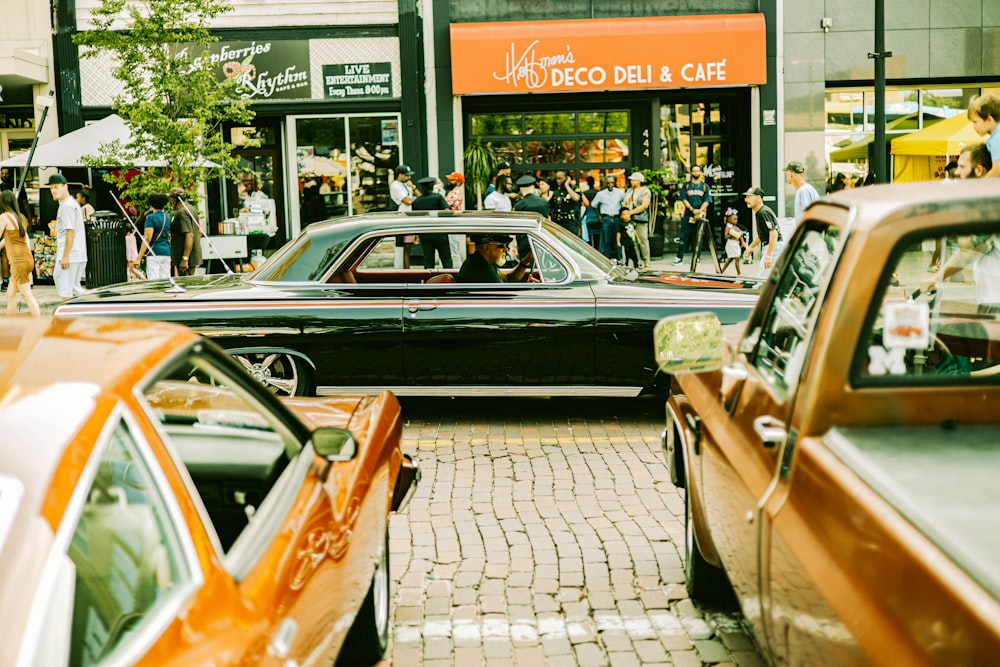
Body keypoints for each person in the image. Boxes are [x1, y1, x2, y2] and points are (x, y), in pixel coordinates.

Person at [926, 145, 999, 312]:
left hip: (996, 300)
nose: (957, 172)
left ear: (979, 170)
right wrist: (937, 277)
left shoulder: (989, 203)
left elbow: (969, 251)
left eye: (962, 166)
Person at [0, 189, 40, 315]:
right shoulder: (21, 217)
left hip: (18, 262)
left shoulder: (4, 217)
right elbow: (7, 240)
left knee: (27, 295)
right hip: (26, 259)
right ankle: (9, 324)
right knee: (10, 294)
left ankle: (39, 325)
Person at [49, 173, 88, 299]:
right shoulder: (72, 203)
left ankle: (66, 318)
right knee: (76, 291)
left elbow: (70, 231)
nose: (53, 191)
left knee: (65, 293)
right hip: (77, 254)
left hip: (70, 256)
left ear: (65, 186)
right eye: (51, 188)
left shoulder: (66, 206)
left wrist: (65, 256)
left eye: (56, 187)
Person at [674, 165, 712, 265]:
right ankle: (679, 257)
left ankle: (697, 257)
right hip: (687, 214)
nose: (696, 173)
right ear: (691, 173)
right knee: (683, 237)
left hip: (700, 215)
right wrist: (692, 209)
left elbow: (707, 200)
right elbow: (684, 199)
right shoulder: (686, 185)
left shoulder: (704, 186)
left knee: (698, 237)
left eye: (698, 171)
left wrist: (699, 211)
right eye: (694, 171)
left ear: (700, 172)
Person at [457, 233, 533, 283]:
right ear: (486, 248)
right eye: (501, 245)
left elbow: (507, 278)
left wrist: (526, 261)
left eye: (507, 245)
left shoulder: (479, 261)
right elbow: (506, 299)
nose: (506, 249)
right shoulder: (485, 274)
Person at [412, 176, 452, 269]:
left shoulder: (417, 201)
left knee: (428, 260)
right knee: (446, 259)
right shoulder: (438, 197)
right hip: (440, 231)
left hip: (425, 233)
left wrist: (416, 234)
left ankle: (429, 281)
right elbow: (447, 211)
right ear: (433, 186)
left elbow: (415, 218)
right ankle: (449, 279)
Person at [742, 186, 783, 277]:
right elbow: (762, 235)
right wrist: (750, 248)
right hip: (774, 246)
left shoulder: (763, 212)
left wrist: (768, 255)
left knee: (762, 278)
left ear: (759, 198)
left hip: (774, 247)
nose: (746, 200)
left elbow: (773, 233)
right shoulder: (760, 212)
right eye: (746, 197)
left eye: (749, 197)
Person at [136, 192, 172, 280]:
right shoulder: (167, 216)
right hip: (166, 253)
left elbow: (147, 238)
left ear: (151, 204)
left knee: (154, 281)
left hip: (154, 253)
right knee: (165, 280)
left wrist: (139, 257)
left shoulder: (150, 218)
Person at [168, 187, 203, 276]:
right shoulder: (190, 208)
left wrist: (185, 258)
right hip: (191, 255)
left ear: (175, 200)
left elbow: (189, 235)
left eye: (171, 199)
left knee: (185, 285)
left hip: (185, 258)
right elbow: (199, 232)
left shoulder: (181, 213)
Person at [589, 175, 626, 260]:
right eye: (608, 183)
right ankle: (607, 259)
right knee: (606, 240)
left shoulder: (620, 192)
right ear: (605, 183)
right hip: (606, 218)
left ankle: (619, 258)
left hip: (617, 218)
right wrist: (599, 215)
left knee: (617, 239)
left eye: (612, 182)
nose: (610, 184)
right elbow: (594, 205)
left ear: (615, 183)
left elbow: (625, 202)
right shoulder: (601, 194)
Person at [623, 172, 652, 269]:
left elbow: (644, 205)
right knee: (633, 241)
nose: (631, 181)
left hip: (640, 218)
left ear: (639, 181)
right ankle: (638, 261)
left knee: (642, 239)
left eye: (633, 180)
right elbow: (624, 202)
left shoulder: (645, 191)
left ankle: (646, 260)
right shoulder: (629, 191)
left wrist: (630, 212)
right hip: (629, 219)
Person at [967, 93, 1000, 178]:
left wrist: (981, 185)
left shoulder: (997, 139)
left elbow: (998, 169)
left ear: (989, 119)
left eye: (975, 122)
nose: (973, 127)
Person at [390, 164, 417, 268]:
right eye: (407, 175)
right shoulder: (395, 186)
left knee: (408, 246)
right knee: (403, 247)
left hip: (409, 217)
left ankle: (406, 269)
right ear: (400, 175)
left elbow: (418, 196)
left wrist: (413, 187)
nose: (409, 178)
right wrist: (414, 199)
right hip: (402, 218)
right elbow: (407, 201)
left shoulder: (406, 185)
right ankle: (403, 270)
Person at [784, 161, 819, 227]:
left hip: (809, 235)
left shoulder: (803, 191)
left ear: (791, 174)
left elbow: (808, 216)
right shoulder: (807, 189)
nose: (787, 177)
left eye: (787, 174)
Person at [548, 171, 582, 236]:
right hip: (558, 222)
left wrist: (567, 185)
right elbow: (550, 205)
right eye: (557, 179)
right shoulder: (556, 190)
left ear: (567, 178)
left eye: (560, 178)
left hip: (570, 223)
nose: (558, 181)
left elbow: (576, 198)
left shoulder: (574, 188)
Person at [720, 207, 746, 276]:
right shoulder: (728, 227)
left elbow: (740, 235)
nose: (736, 221)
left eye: (736, 219)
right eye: (734, 219)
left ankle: (722, 270)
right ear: (729, 219)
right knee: (736, 258)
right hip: (731, 244)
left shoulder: (735, 227)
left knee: (731, 258)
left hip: (735, 244)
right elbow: (726, 236)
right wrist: (732, 234)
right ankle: (739, 272)